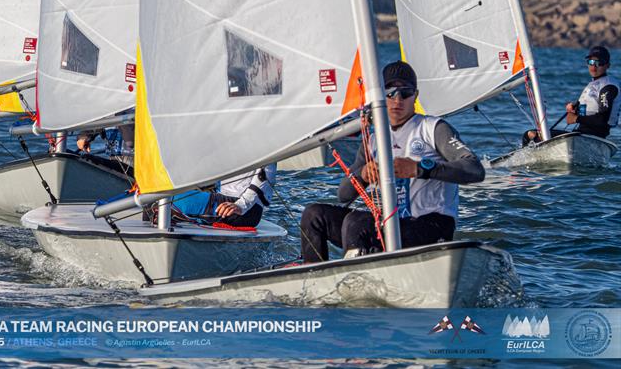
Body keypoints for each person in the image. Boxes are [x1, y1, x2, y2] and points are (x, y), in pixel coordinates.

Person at [300, 61, 485, 262]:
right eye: (390, 92)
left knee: (358, 222)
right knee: (314, 215)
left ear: (415, 95)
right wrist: (363, 175)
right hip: (388, 226)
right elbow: (343, 195)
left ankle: (357, 275)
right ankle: (314, 277)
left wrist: (420, 168)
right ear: (380, 96)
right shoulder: (373, 139)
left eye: (405, 93)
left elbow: (474, 169)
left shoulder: (432, 128)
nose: (398, 99)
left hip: (431, 226)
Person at [524, 45, 619, 144]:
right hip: (581, 134)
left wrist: (576, 118)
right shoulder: (593, 85)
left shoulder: (608, 87)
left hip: (593, 137)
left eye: (599, 63)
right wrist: (574, 110)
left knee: (529, 135)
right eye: (591, 62)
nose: (594, 66)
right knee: (532, 134)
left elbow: (602, 120)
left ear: (608, 65)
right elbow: (586, 112)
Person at [155, 164, 277, 228]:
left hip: (244, 210)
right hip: (224, 199)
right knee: (156, 199)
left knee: (159, 201)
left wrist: (241, 205)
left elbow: (264, 179)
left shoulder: (261, 139)